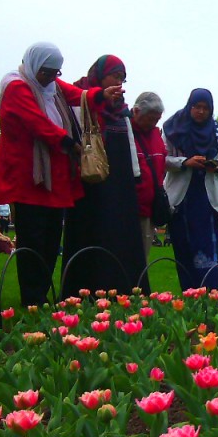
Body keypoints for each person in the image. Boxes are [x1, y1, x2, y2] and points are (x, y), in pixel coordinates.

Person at [0, 43, 121, 307]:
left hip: (53, 175)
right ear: (33, 65)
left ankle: (41, 295)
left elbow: (78, 95)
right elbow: (36, 121)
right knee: (32, 238)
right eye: (46, 72)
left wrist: (101, 95)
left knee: (51, 238)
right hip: (30, 174)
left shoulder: (51, 85)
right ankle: (32, 297)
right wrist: (67, 143)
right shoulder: (17, 86)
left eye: (55, 72)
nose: (51, 78)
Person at [61, 55, 147, 297]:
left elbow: (130, 143)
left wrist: (134, 175)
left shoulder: (120, 109)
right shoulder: (80, 99)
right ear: (100, 76)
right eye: (115, 76)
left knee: (119, 235)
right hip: (90, 182)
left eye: (122, 78)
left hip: (119, 185)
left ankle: (121, 288)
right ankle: (86, 290)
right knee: (90, 234)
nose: (119, 83)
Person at [163, 88, 218, 291]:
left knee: (208, 252)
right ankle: (188, 296)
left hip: (207, 201)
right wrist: (185, 162)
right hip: (181, 201)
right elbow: (163, 158)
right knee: (184, 251)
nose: (201, 111)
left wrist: (217, 165)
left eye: (205, 108)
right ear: (189, 106)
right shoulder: (172, 129)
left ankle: (211, 296)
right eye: (197, 107)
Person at [131, 91, 167, 259]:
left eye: (157, 119)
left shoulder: (156, 136)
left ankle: (138, 286)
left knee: (141, 259)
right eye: (151, 118)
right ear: (137, 112)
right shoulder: (124, 131)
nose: (153, 123)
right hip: (128, 207)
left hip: (148, 209)